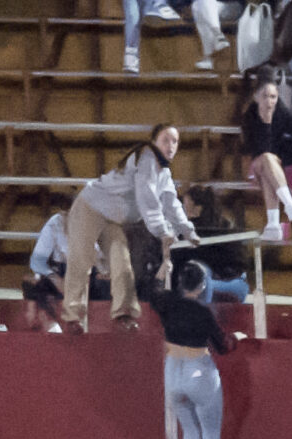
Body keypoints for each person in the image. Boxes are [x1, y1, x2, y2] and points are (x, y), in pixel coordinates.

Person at [62, 122, 199, 331]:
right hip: (90, 207)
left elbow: (171, 202)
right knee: (81, 259)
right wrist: (163, 232)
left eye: (175, 141)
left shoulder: (164, 173)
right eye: (165, 140)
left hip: (112, 219)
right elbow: (148, 201)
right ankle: (72, 318)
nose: (171, 146)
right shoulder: (146, 159)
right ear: (154, 142)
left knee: (121, 259)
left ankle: (123, 314)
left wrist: (188, 230)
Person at [152, 256, 235, 439]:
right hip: (198, 370)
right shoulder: (203, 312)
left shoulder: (166, 302)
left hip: (172, 370)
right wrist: (237, 339)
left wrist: (160, 270)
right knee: (210, 435)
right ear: (201, 287)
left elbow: (149, 290)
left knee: (190, 433)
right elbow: (222, 346)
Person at [239, 75, 292, 242]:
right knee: (266, 161)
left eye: (273, 97)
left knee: (268, 165)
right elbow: (251, 148)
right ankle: (287, 208)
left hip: (286, 164)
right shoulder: (250, 116)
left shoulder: (287, 116)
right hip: (259, 162)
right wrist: (265, 125)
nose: (270, 101)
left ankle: (274, 224)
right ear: (256, 97)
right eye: (265, 96)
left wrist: (274, 157)